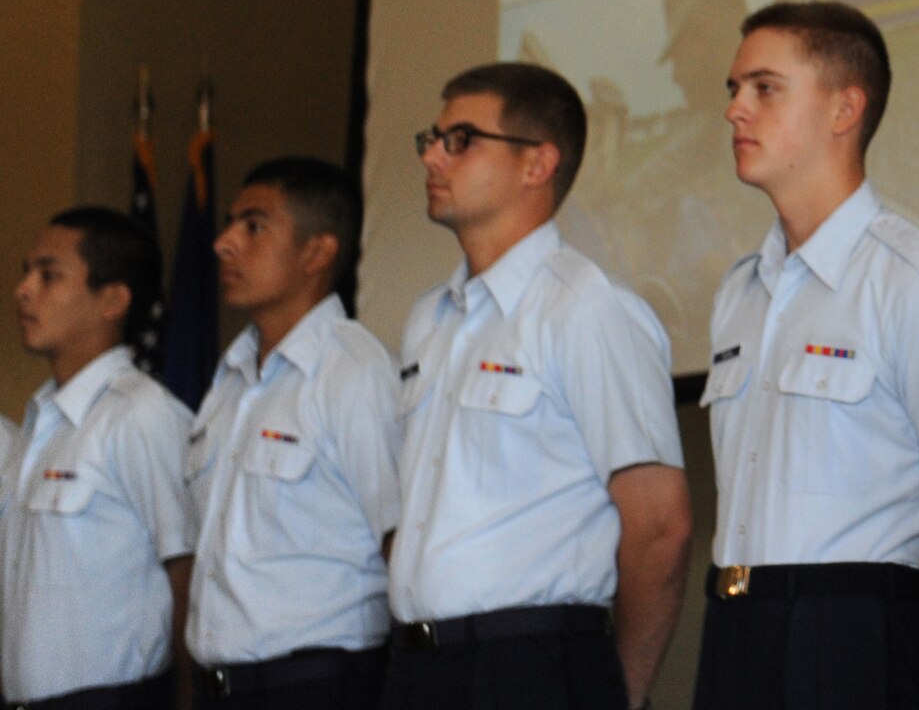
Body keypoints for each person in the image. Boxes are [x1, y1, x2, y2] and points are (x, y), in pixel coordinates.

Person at [693, 2, 919, 709]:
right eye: (733, 90)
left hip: (853, 636)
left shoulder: (916, 282)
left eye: (764, 88)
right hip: (732, 632)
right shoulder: (739, 292)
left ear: (845, 108)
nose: (734, 111)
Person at [385, 62, 693, 710]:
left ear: (537, 164)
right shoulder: (427, 320)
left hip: (530, 662)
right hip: (419, 665)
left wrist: (620, 693)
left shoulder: (587, 310)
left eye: (461, 140)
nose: (434, 157)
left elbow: (660, 525)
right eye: (431, 139)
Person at [185, 157, 399, 708]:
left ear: (317, 252)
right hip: (219, 685)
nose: (225, 243)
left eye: (253, 226)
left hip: (316, 685)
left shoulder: (352, 369)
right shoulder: (232, 376)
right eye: (230, 223)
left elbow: (400, 539)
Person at [3, 206, 194, 710]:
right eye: (26, 272)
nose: (24, 289)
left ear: (112, 300)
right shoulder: (40, 422)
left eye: (49, 276)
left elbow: (187, 570)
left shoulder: (140, 415)